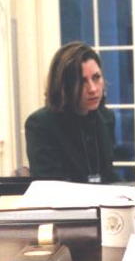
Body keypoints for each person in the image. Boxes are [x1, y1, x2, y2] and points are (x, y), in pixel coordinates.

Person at [25, 41, 118, 183]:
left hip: (103, 202)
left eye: (96, 77)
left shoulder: (106, 118)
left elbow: (109, 175)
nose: (93, 89)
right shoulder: (40, 124)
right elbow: (50, 186)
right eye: (82, 82)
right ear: (64, 86)